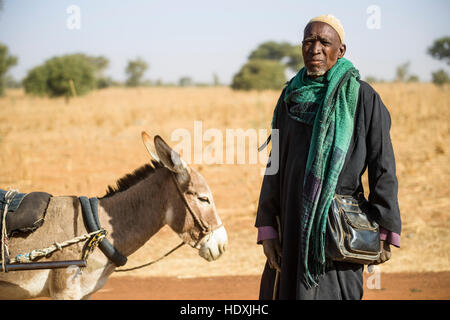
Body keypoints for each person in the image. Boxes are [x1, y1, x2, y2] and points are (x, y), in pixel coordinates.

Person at [255, 14, 401, 300]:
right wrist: (268, 227)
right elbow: (273, 167)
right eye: (309, 41)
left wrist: (386, 229)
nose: (315, 49)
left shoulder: (362, 97)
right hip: (291, 222)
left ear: (340, 50)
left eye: (324, 42)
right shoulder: (290, 97)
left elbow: (383, 167)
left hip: (338, 228)